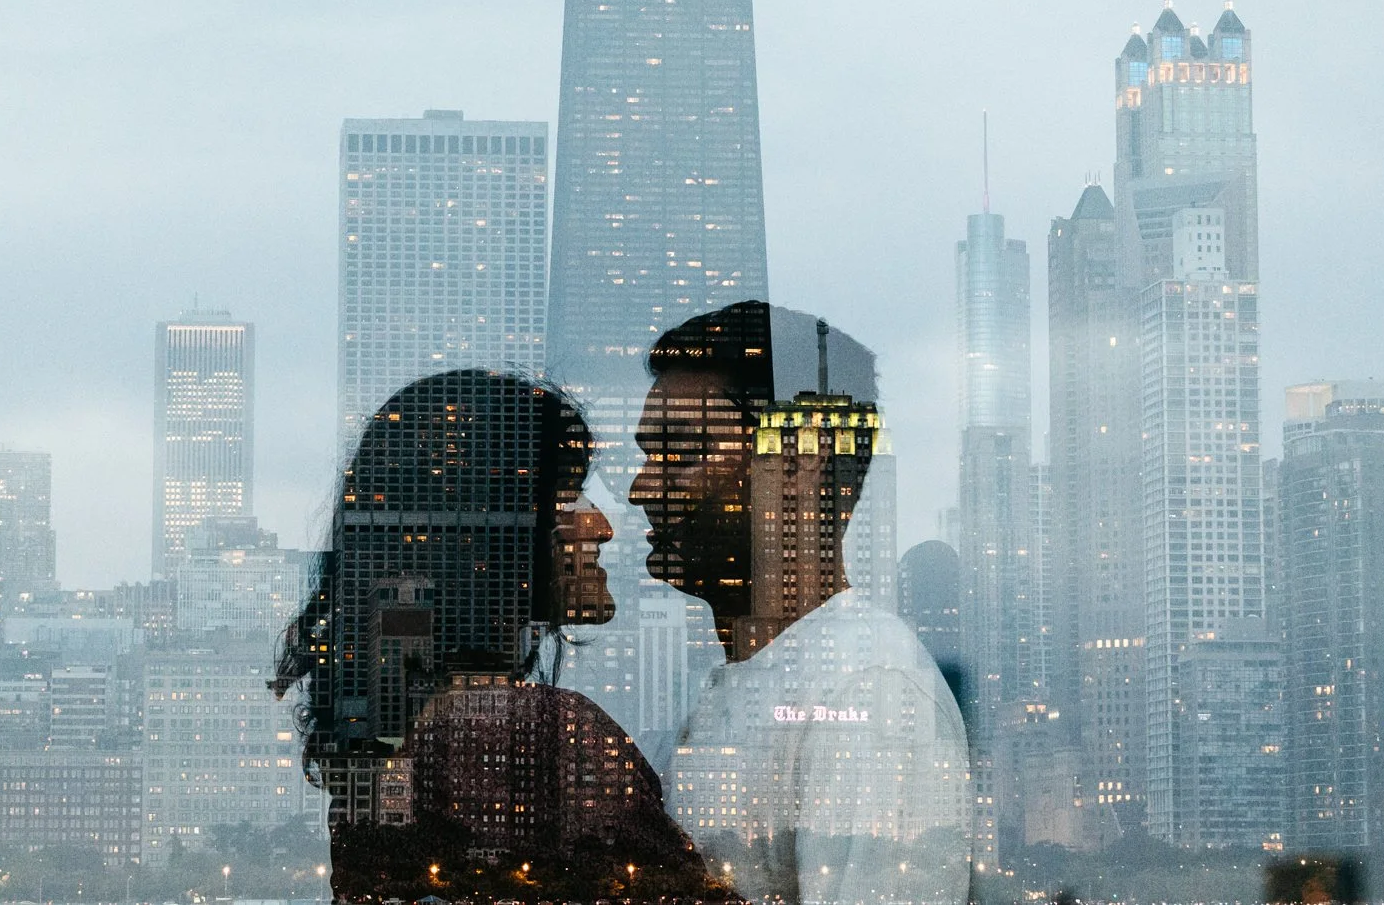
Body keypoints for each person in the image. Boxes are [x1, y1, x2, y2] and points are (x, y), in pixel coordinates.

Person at [275, 367, 726, 900]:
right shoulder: (529, 731)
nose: (600, 525)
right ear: (486, 538)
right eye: (568, 494)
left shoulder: (401, 736)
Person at [631, 302, 972, 905]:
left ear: (795, 472)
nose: (642, 489)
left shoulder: (868, 690)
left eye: (679, 452)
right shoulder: (748, 683)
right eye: (648, 456)